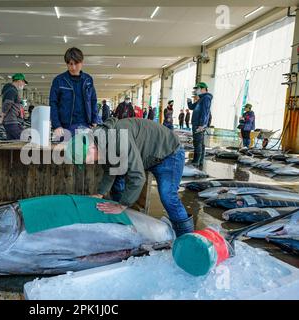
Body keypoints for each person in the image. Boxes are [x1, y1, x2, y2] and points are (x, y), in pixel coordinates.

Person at [65, 118, 194, 237]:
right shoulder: (100, 141)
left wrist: (122, 205)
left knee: (168, 197)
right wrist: (100, 193)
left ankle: (187, 238)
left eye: (84, 160)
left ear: (92, 147)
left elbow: (138, 176)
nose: (87, 164)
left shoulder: (117, 139)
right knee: (118, 185)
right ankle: (124, 223)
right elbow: (112, 169)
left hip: (169, 153)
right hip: (149, 155)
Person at [50, 47, 98, 137]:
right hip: (65, 127)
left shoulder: (88, 80)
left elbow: (93, 100)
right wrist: (56, 125)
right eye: (70, 64)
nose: (73, 67)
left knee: (85, 150)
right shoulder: (59, 80)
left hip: (85, 125)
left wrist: (94, 120)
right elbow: (53, 103)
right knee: (66, 150)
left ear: (82, 62)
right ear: (66, 63)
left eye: (76, 63)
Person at [187, 82, 213, 168]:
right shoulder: (201, 99)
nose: (195, 91)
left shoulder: (206, 98)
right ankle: (200, 160)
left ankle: (196, 161)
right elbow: (192, 107)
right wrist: (189, 102)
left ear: (203, 89)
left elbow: (205, 112)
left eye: (197, 89)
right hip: (197, 124)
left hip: (199, 125)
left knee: (197, 142)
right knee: (200, 143)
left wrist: (202, 125)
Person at [2, 73, 27, 140]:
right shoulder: (12, 91)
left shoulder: (12, 90)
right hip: (12, 122)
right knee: (23, 140)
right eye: (23, 82)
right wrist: (2, 115)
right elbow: (7, 103)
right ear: (19, 81)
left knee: (12, 142)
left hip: (12, 122)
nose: (24, 85)